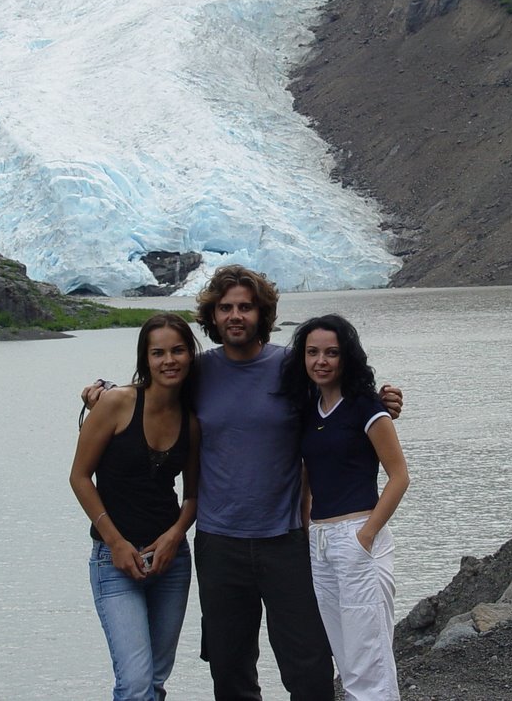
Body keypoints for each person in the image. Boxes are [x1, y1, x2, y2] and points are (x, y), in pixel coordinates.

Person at [83, 264, 402, 700]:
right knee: (230, 672)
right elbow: (151, 385)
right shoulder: (198, 371)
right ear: (212, 316)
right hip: (220, 543)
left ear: (262, 314)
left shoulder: (292, 368)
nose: (236, 315)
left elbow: (341, 394)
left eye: (246, 307)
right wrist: (100, 389)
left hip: (287, 539)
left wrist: (382, 400)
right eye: (226, 307)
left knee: (307, 666)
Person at [70, 312, 201, 701]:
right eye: (158, 352)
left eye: (178, 351)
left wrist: (175, 537)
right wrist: (114, 542)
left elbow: (192, 495)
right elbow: (79, 477)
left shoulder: (191, 421)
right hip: (114, 561)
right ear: (145, 359)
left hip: (170, 562)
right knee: (135, 682)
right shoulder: (115, 404)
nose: (169, 361)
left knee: (154, 682)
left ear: (190, 356)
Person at [281, 314, 410, 701]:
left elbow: (399, 476)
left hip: (357, 535)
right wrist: (307, 530)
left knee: (368, 657)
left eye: (332, 353)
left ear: (346, 357)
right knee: (345, 655)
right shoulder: (309, 410)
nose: (321, 360)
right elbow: (307, 477)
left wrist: (365, 536)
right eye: (313, 352)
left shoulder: (365, 407)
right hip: (320, 540)